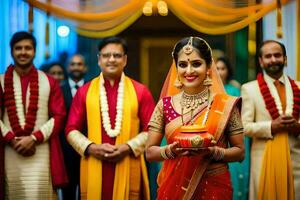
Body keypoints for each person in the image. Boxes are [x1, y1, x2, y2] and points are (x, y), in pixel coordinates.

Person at [146, 37, 245, 200]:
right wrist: (171, 151)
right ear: (176, 68)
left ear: (208, 67)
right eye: (183, 64)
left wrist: (214, 152)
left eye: (196, 64)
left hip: (214, 187)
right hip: (175, 187)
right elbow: (150, 152)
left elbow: (240, 152)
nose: (189, 71)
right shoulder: (165, 105)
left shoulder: (226, 105)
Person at [65, 36, 155, 200]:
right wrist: (91, 148)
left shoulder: (140, 91)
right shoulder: (84, 91)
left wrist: (127, 147)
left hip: (129, 162)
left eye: (117, 55)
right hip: (94, 162)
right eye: (106, 55)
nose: (111, 59)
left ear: (125, 60)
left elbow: (152, 130)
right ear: (99, 60)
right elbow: (71, 130)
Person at [0, 31, 68, 199]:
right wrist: (10, 138)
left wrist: (34, 138)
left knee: (38, 192)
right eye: (18, 48)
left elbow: (59, 115)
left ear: (35, 51)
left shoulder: (49, 81)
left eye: (28, 48)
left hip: (41, 150)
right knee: (13, 192)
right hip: (10, 150)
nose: (23, 52)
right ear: (11, 51)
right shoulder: (0, 81)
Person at [241, 40, 300, 200]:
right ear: (261, 61)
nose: (273, 59)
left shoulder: (299, 87)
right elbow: (244, 127)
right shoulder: (249, 89)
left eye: (277, 55)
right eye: (268, 56)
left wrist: (297, 127)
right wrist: (271, 126)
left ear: (285, 59)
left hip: (295, 161)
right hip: (264, 161)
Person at [216, 56, 250, 200]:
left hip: (233, 135)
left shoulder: (234, 90)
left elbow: (240, 116)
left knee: (235, 173)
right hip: (216, 136)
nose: (219, 72)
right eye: (216, 68)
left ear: (228, 71)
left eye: (222, 68)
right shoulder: (208, 90)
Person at [60, 54, 88, 200]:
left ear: (85, 67)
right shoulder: (59, 90)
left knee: (88, 190)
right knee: (68, 192)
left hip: (89, 148)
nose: (76, 67)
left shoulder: (93, 88)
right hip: (66, 150)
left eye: (79, 64)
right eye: (73, 64)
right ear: (67, 67)